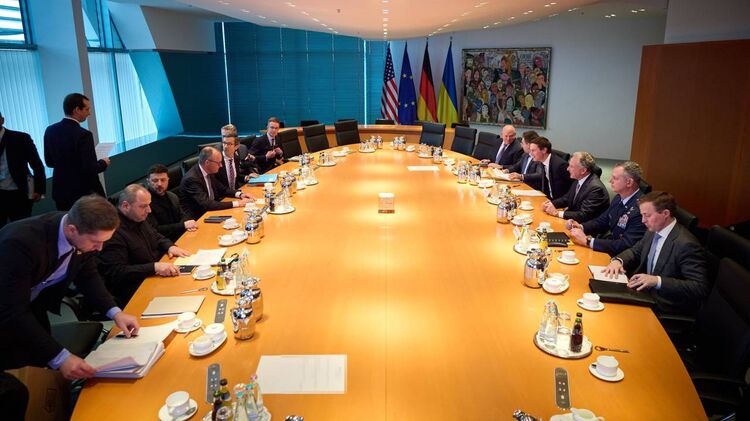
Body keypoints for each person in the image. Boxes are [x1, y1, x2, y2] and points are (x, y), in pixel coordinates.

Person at [0, 195, 139, 380]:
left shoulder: (82, 232)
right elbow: (12, 310)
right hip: (7, 310)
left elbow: (88, 276)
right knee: (17, 376)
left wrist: (115, 312)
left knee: (41, 364)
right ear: (72, 230)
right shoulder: (20, 243)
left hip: (34, 306)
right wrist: (61, 358)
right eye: (95, 242)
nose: (100, 248)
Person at [603, 191, 708, 316]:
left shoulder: (686, 244)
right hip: (642, 292)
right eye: (642, 215)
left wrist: (657, 281)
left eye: (647, 216)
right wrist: (618, 260)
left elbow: (699, 287)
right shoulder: (654, 229)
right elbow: (636, 250)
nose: (643, 221)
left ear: (665, 214)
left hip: (664, 306)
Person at [98, 185, 191, 307]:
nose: (149, 210)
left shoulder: (137, 216)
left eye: (149, 205)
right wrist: (154, 267)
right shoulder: (112, 231)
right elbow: (117, 272)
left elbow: (155, 235)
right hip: (137, 290)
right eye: (143, 206)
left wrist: (170, 246)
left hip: (155, 276)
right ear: (126, 206)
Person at [44, 93, 110, 211]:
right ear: (77, 110)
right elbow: (90, 168)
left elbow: (49, 162)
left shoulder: (50, 130)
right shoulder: (83, 135)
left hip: (61, 192)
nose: (89, 113)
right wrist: (103, 163)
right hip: (83, 194)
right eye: (87, 109)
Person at [567, 161, 647, 256]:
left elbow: (625, 244)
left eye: (615, 178)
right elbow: (602, 221)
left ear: (629, 182)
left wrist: (588, 241)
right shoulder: (619, 197)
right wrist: (580, 227)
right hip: (608, 248)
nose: (610, 181)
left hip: (619, 258)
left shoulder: (641, 210)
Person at [179, 146, 254, 220]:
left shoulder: (209, 171)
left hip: (211, 211)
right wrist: (238, 203)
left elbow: (223, 189)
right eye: (218, 163)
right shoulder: (192, 179)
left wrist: (240, 194)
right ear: (207, 163)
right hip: (198, 218)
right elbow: (207, 204)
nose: (221, 165)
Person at [0, 111, 46, 228]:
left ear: (2, 120)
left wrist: (39, 189)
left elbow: (36, 164)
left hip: (19, 193)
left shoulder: (20, 138)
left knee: (22, 229)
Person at [540, 151, 609, 223]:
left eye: (571, 166)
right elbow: (567, 198)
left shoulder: (596, 189)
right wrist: (550, 204)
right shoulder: (579, 179)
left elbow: (584, 215)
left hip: (584, 226)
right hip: (572, 221)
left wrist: (557, 213)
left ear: (583, 170)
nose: (567, 169)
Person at [145, 164, 197, 242]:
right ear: (148, 182)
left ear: (168, 180)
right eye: (155, 180)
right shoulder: (145, 204)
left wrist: (187, 225)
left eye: (163, 180)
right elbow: (156, 229)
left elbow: (183, 215)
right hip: (164, 242)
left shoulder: (172, 196)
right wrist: (183, 225)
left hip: (183, 236)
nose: (159, 184)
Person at [215, 124, 259, 190]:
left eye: (229, 143)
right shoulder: (216, 156)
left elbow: (235, 175)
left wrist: (247, 177)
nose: (226, 146)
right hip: (224, 191)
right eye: (223, 136)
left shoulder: (237, 156)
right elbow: (217, 182)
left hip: (238, 187)